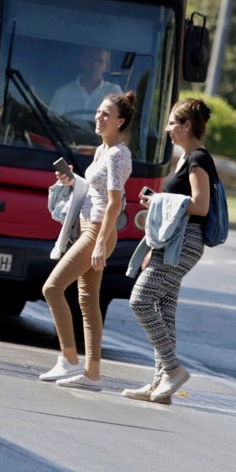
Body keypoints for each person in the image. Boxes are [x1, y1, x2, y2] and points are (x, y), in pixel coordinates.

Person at [38, 91, 137, 391]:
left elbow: (114, 203)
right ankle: (92, 374)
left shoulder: (119, 154)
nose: (99, 117)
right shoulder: (101, 151)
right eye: (98, 112)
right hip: (86, 227)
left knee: (52, 288)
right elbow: (93, 191)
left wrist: (99, 244)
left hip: (97, 232)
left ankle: (69, 358)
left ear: (120, 121)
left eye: (106, 114)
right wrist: (73, 181)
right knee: (87, 301)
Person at [122, 97, 216, 404]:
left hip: (185, 240)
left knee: (140, 300)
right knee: (165, 310)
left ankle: (173, 370)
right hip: (171, 239)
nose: (167, 129)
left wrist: (159, 201)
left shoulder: (198, 159)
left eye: (172, 122)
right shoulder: (185, 157)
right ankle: (159, 385)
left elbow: (201, 205)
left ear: (187, 125)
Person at [49, 46, 122, 115]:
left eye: (100, 61)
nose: (95, 64)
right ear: (82, 61)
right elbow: (53, 122)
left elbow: (119, 121)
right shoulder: (62, 93)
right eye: (90, 59)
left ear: (107, 67)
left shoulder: (114, 92)